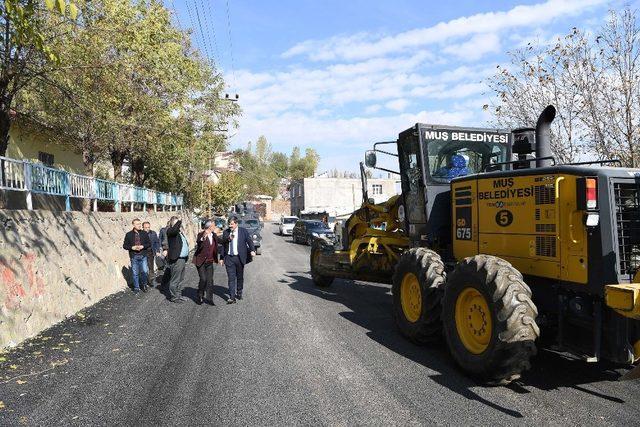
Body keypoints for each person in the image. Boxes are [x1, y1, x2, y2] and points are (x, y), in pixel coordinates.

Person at [219, 216, 255, 304]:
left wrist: (252, 250)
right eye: (229, 224)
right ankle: (232, 297)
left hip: (239, 258)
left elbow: (249, 241)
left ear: (236, 223)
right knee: (231, 278)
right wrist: (221, 258)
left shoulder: (243, 231)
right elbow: (223, 245)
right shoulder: (226, 232)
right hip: (229, 258)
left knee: (239, 277)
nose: (230, 226)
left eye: (232, 224)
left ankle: (239, 292)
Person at [193, 219, 220, 305]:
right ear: (210, 226)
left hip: (210, 261)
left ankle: (209, 298)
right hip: (201, 261)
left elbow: (221, 241)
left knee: (210, 280)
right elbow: (199, 241)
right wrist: (203, 237)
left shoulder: (214, 235)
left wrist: (229, 239)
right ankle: (200, 295)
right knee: (203, 279)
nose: (215, 227)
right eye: (214, 225)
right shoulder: (201, 234)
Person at [122, 218, 151, 293]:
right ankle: (136, 287)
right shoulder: (128, 234)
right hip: (134, 256)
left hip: (143, 255)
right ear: (133, 225)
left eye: (140, 224)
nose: (139, 225)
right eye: (137, 224)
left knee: (144, 271)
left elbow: (149, 244)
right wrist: (132, 247)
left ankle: (144, 285)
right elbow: (125, 246)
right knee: (135, 273)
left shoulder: (144, 233)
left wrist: (143, 246)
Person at [166, 216, 190, 303]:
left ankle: (178, 295)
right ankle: (174, 297)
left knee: (181, 279)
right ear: (173, 224)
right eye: (177, 223)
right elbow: (174, 230)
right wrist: (179, 221)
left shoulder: (179, 233)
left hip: (182, 259)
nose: (179, 225)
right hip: (177, 259)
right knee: (175, 279)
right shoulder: (170, 231)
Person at [143, 221, 161, 288]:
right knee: (144, 268)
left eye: (148, 227)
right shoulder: (140, 234)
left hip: (151, 252)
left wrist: (157, 250)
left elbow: (156, 242)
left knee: (151, 267)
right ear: (143, 227)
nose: (147, 229)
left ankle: (151, 281)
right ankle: (144, 282)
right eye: (146, 227)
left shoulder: (153, 233)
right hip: (143, 253)